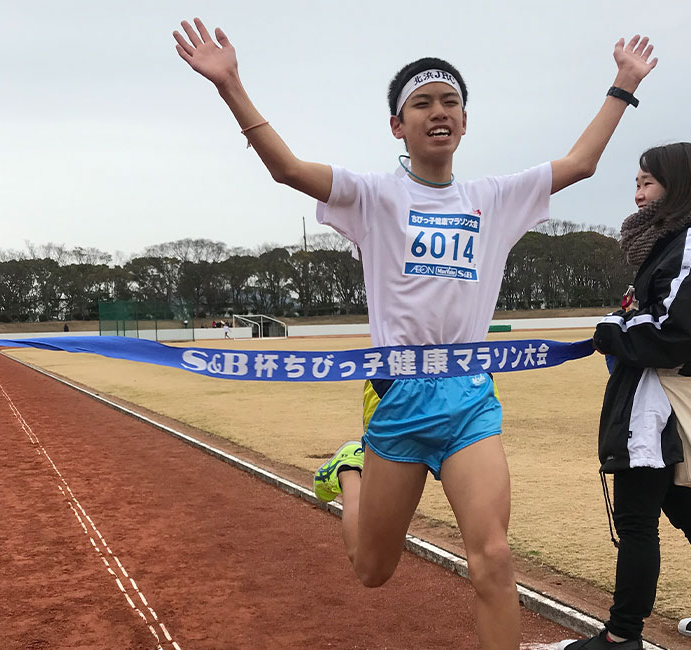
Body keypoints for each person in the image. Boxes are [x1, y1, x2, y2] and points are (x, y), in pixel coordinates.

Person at [174, 18, 657, 649]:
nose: (439, 112)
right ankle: (349, 471)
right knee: (372, 571)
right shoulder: (373, 196)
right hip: (397, 400)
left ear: (465, 121)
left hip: (467, 402)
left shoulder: (496, 198)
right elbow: (288, 169)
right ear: (398, 126)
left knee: (493, 558)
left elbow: (581, 164)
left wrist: (622, 85)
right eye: (422, 103)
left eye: (451, 102)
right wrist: (230, 85)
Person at [558, 143, 691, 649]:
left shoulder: (690, 241)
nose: (637, 194)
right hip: (662, 399)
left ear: (681, 185)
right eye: (636, 183)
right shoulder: (676, 244)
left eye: (647, 182)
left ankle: (621, 636)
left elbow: (679, 331)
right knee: (686, 509)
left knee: (635, 521)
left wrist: (611, 330)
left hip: (659, 405)